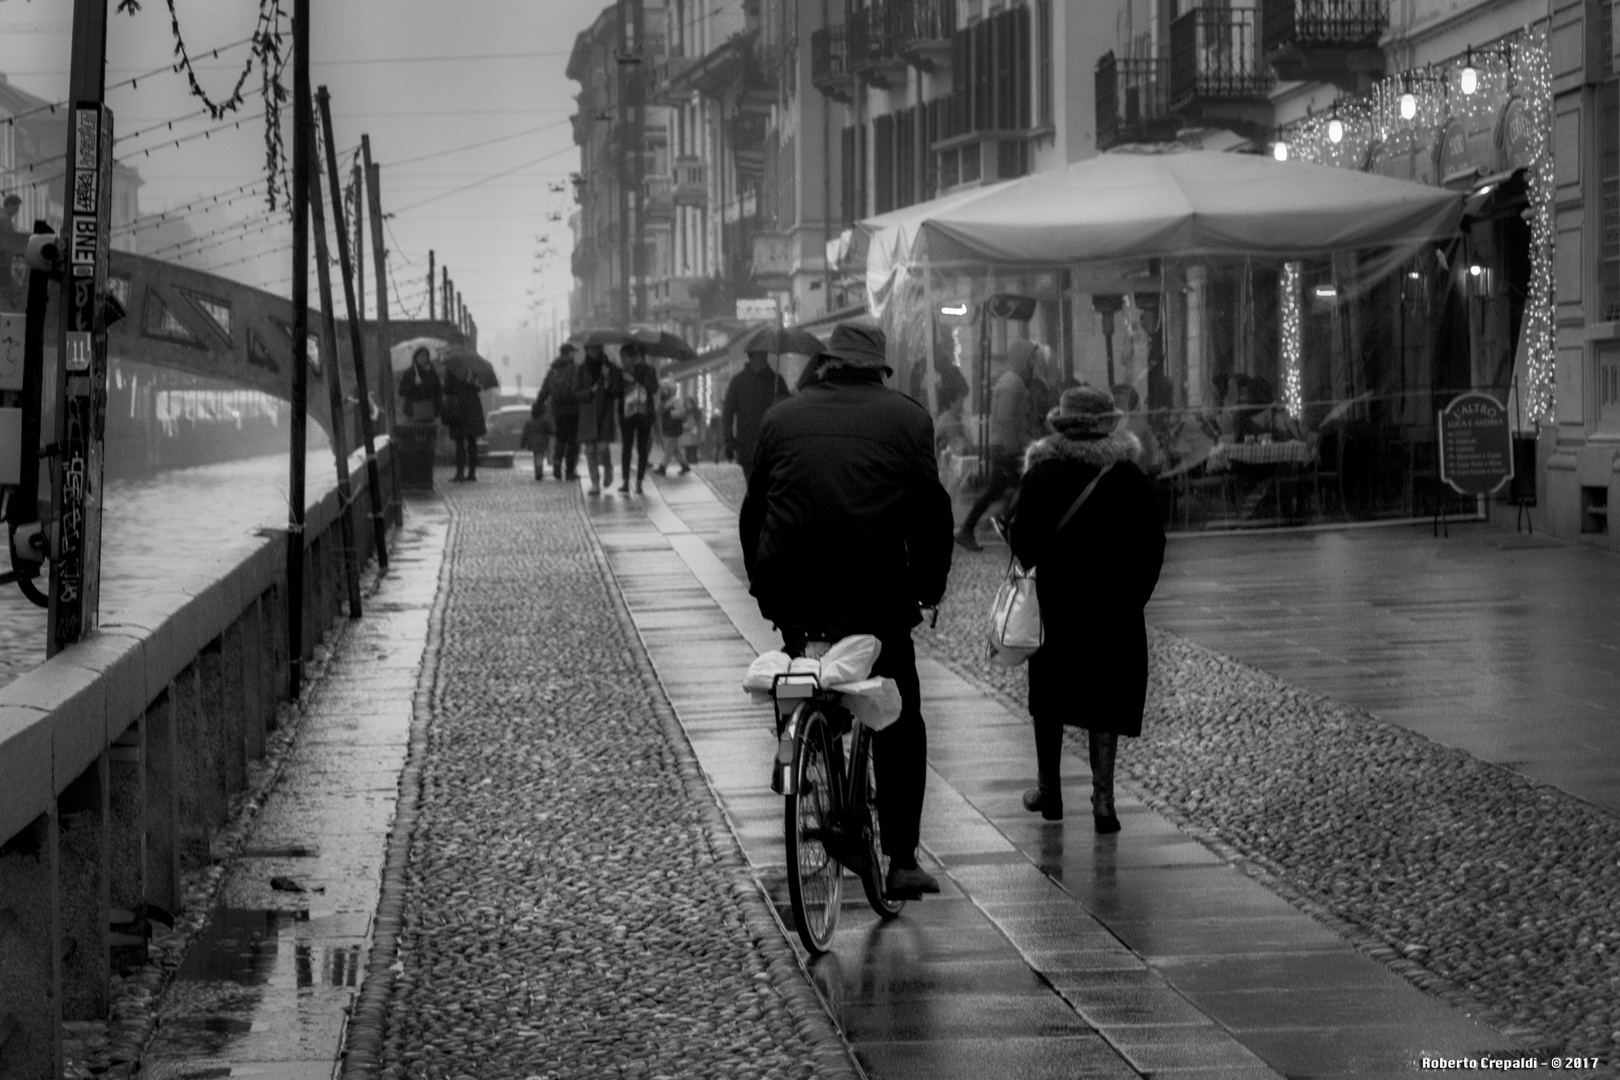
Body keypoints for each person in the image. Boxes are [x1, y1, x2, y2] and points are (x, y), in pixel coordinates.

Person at [739, 324, 954, 901]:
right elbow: (932, 517)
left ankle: (802, 755)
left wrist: (764, 587)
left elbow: (754, 509)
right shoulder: (908, 420)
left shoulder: (780, 418)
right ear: (879, 368)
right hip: (874, 594)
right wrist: (926, 590)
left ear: (827, 364)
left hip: (792, 590)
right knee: (900, 714)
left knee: (804, 685)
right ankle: (903, 857)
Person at [1005, 385, 1165, 832]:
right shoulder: (1128, 476)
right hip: (1115, 608)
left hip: (1058, 606)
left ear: (1062, 424)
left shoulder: (1041, 475)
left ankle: (1049, 790)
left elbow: (1025, 545)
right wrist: (1135, 595)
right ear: (1107, 425)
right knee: (1106, 699)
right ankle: (1104, 800)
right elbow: (1152, 543)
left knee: (1050, 695)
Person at [954, 338, 1042, 551]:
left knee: (1001, 488)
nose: (1035, 361)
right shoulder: (1013, 384)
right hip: (1008, 448)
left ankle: (978, 527)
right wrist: (1016, 450)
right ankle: (998, 523)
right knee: (1028, 484)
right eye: (1032, 357)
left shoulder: (1017, 381)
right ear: (1023, 358)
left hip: (1009, 446)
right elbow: (1006, 420)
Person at [719, 351, 788, 481]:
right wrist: (728, 439)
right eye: (761, 354)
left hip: (772, 446)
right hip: (748, 447)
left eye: (765, 354)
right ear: (753, 357)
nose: (765, 356)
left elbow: (789, 412)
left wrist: (780, 404)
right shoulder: (738, 381)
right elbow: (728, 412)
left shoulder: (777, 381)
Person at [575, 342, 623, 495]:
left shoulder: (611, 368)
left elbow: (617, 391)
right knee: (589, 450)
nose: (594, 351)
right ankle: (595, 482)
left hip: (605, 413)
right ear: (586, 350)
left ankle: (608, 468)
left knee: (602, 448)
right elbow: (575, 393)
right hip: (587, 415)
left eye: (597, 348)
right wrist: (590, 391)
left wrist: (608, 379)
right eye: (591, 348)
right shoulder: (581, 370)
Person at [618, 341, 660, 494]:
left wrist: (634, 381)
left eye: (623, 357)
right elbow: (616, 391)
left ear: (635, 356)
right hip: (630, 414)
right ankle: (628, 481)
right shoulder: (623, 371)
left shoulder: (648, 370)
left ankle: (637, 482)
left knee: (640, 448)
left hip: (641, 413)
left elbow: (653, 388)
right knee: (628, 448)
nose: (622, 360)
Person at [535, 343, 581, 481]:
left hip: (558, 409)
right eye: (573, 352)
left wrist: (538, 404)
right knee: (573, 440)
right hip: (573, 408)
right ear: (568, 353)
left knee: (560, 438)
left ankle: (556, 467)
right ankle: (570, 470)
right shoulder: (574, 368)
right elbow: (579, 387)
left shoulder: (553, 370)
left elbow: (544, 389)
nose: (575, 354)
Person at [442, 367, 487, 482]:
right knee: (472, 442)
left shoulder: (452, 370)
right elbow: (479, 387)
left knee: (460, 443)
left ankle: (460, 473)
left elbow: (447, 389)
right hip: (473, 407)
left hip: (458, 408)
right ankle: (472, 473)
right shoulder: (473, 370)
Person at [1112, 383, 1162, 477]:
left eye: (1122, 396)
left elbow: (1151, 453)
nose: (1117, 399)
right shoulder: (1106, 420)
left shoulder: (1139, 423)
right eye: (1116, 395)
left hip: (1133, 474)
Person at [653, 381, 693, 476]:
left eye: (665, 390)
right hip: (668, 428)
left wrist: (670, 414)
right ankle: (685, 465)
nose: (663, 392)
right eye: (662, 390)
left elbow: (682, 412)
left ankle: (663, 467)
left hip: (674, 428)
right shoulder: (662, 402)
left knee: (668, 449)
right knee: (675, 449)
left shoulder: (675, 400)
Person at [397, 347, 442, 423]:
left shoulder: (431, 372)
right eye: (420, 356)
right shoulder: (409, 373)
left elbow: (438, 390)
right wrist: (415, 385)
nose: (423, 358)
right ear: (416, 357)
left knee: (429, 432)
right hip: (413, 411)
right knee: (416, 432)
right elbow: (402, 392)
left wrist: (437, 408)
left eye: (425, 356)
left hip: (429, 410)